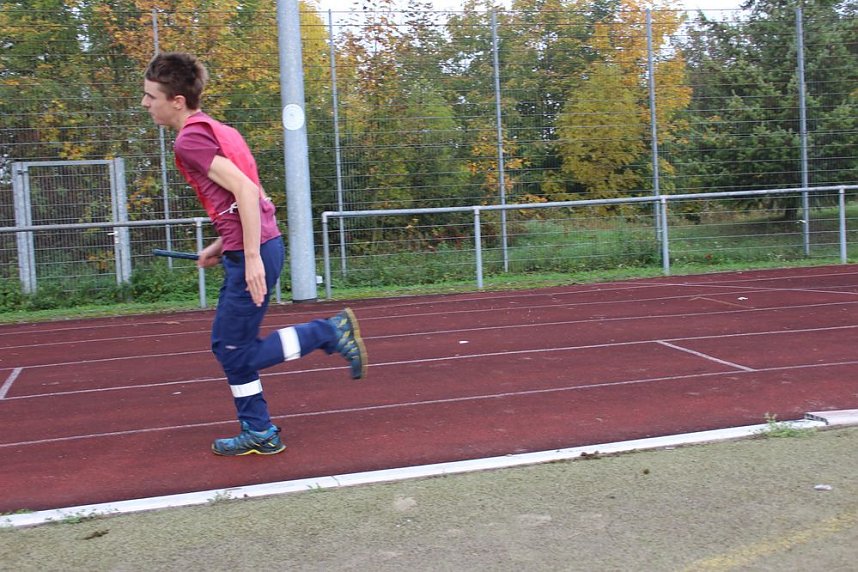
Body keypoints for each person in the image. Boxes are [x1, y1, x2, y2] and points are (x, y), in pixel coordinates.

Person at [142, 52, 367, 456]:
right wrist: (222, 244)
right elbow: (255, 196)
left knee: (235, 350)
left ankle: (328, 333)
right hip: (261, 243)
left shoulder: (190, 139)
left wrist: (249, 258)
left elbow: (246, 191)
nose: (145, 103)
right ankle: (259, 429)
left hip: (257, 249)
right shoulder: (220, 130)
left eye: (150, 96)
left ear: (177, 101)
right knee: (229, 347)